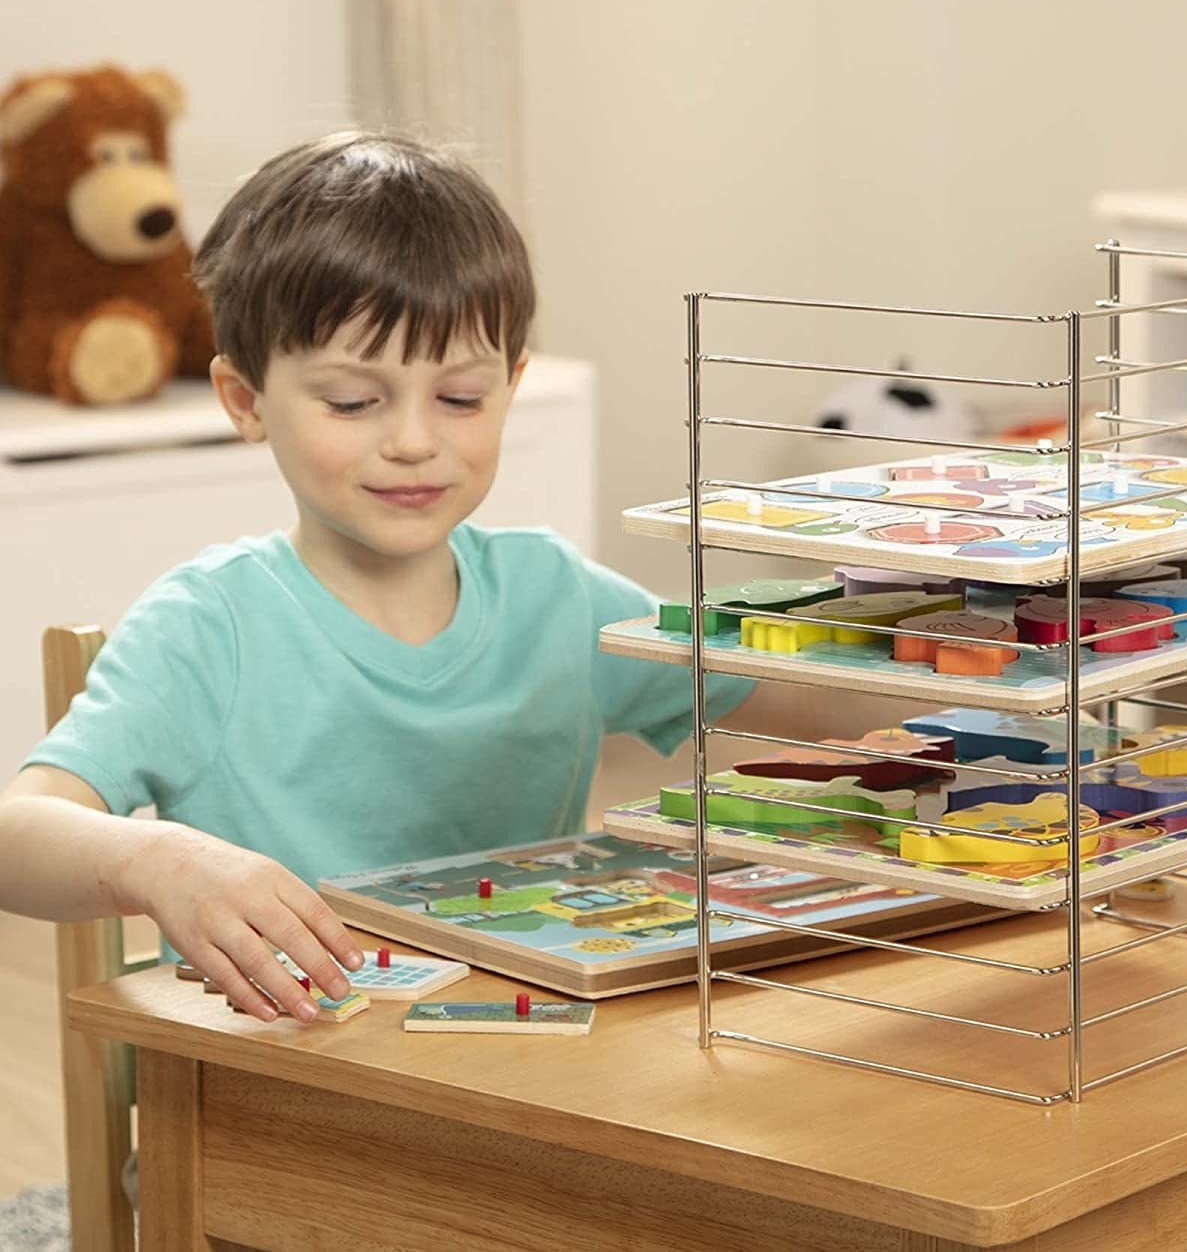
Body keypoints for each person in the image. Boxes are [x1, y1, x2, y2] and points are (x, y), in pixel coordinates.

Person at [0, 132, 752, 1024]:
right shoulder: (208, 626)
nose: (412, 440)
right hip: (286, 1097)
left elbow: (807, 695)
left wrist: (931, 633)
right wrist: (154, 862)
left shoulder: (559, 598)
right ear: (245, 401)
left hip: (527, 1071)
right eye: (354, 402)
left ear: (509, 387)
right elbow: (16, 837)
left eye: (461, 398)